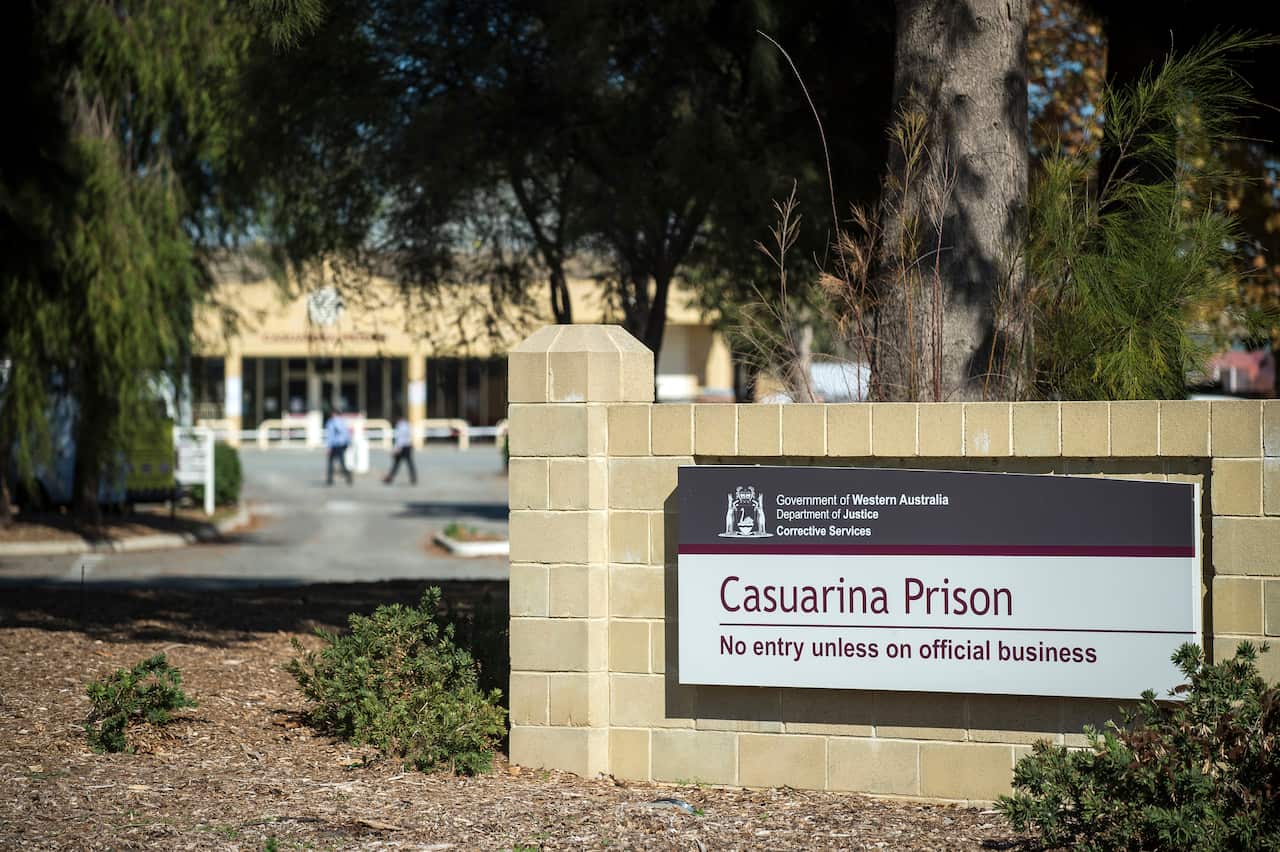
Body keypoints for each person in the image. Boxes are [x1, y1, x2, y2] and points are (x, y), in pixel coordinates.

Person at [383, 411, 417, 485]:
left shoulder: (401, 425)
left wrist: (397, 448)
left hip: (402, 447)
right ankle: (413, 478)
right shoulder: (407, 424)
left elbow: (400, 439)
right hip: (407, 446)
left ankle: (390, 478)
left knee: (397, 464)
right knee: (409, 463)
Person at [324, 406, 353, 485]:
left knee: (331, 463)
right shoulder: (343, 422)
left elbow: (330, 436)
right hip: (342, 445)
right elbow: (347, 434)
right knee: (342, 462)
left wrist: (328, 446)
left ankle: (330, 480)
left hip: (334, 445)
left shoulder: (331, 422)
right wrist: (348, 443)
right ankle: (348, 476)